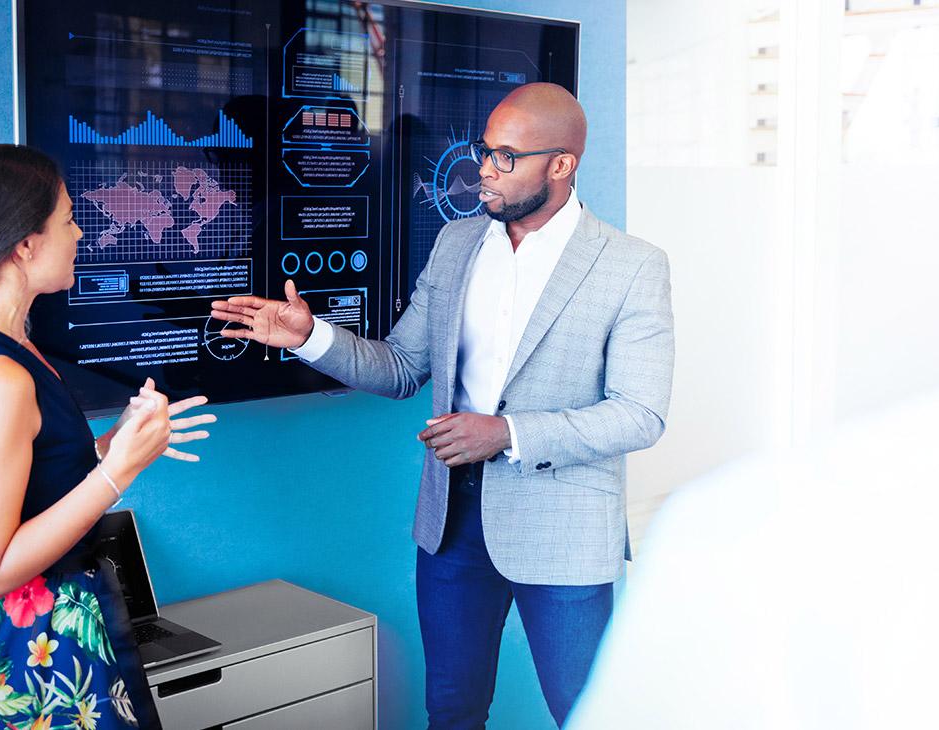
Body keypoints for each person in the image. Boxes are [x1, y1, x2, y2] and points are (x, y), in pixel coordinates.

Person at [211, 82, 674, 727]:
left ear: (562, 164)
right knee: (452, 711)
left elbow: (640, 412)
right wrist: (310, 337)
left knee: (590, 714)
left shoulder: (631, 266)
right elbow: (401, 368)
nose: (485, 168)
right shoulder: (457, 243)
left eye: (507, 157)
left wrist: (508, 432)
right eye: (485, 150)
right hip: (452, 525)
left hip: (563, 531)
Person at [0, 144, 216, 730]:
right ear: (24, 246)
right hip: (35, 650)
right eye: (68, 219)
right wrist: (118, 473)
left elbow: (31, 476)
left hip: (56, 628)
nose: (81, 233)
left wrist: (113, 444)